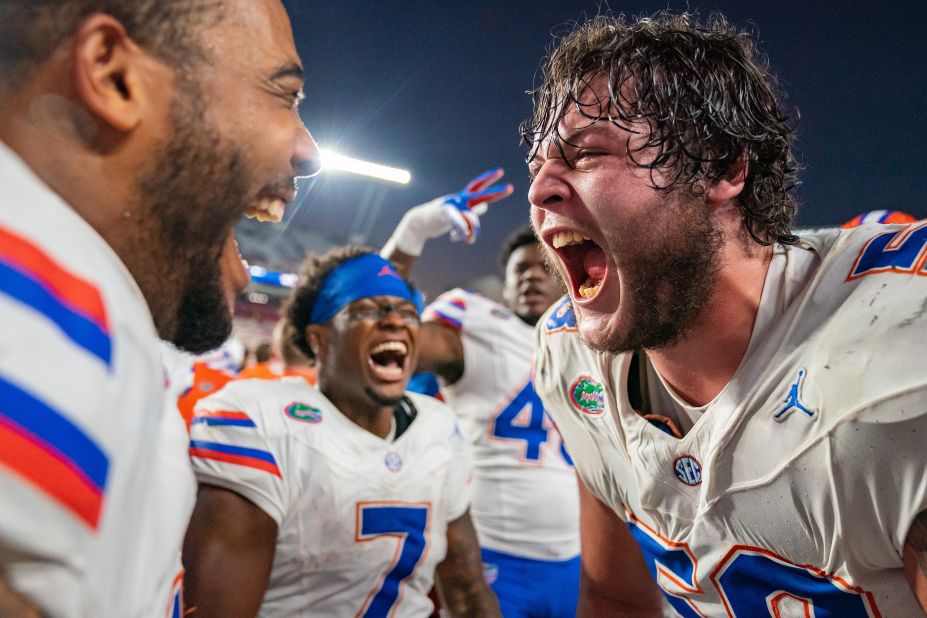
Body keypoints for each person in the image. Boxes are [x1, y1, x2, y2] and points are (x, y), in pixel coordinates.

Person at [523, 12, 927, 616]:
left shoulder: (895, 342)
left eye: (585, 155)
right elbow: (614, 596)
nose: (540, 190)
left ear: (721, 167)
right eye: (539, 164)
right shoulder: (568, 355)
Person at [0, 0, 320, 614]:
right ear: (114, 73)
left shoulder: (104, 313)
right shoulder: (47, 321)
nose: (306, 151)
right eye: (285, 96)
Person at [182, 249, 500, 617]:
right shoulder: (260, 422)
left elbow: (467, 590)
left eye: (408, 312)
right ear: (318, 339)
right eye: (366, 310)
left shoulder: (439, 427)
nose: (395, 321)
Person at [384, 206, 581, 616]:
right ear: (505, 287)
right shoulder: (478, 328)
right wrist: (412, 233)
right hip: (491, 553)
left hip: (577, 558)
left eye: (545, 267)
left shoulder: (593, 347)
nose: (531, 275)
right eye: (519, 270)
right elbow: (382, 338)